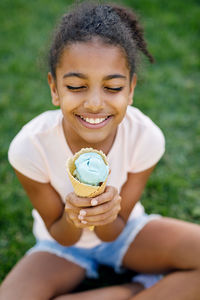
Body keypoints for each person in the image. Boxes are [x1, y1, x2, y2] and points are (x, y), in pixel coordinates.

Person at [1, 1, 200, 299]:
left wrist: (107, 214)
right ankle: (137, 288)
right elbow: (60, 235)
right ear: (54, 88)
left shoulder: (145, 138)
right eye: (77, 87)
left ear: (131, 89)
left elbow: (116, 231)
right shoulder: (29, 148)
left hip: (126, 232)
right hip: (59, 248)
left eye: (113, 87)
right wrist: (73, 215)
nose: (94, 103)